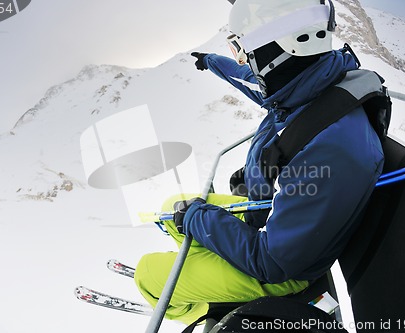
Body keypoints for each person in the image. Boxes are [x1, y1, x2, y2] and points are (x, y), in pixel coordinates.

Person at [134, 0, 384, 325]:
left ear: (284, 49)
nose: (244, 57)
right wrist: (211, 61)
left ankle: (207, 310)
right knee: (173, 207)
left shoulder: (329, 149)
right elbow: (248, 77)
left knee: (148, 274)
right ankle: (202, 264)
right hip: (271, 215)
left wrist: (198, 219)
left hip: (283, 269)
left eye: (247, 46)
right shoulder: (308, 84)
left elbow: (273, 262)